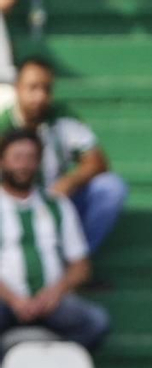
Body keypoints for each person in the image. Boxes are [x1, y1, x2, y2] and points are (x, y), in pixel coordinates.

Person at [0, 58, 127, 255]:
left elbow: (98, 161)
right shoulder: (3, 125)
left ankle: (75, 263)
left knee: (111, 187)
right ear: (17, 88)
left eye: (46, 89)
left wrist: (69, 182)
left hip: (58, 200)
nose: (40, 96)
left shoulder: (63, 117)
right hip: (13, 208)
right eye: (32, 88)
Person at [0, 129, 110, 351]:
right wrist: (15, 300)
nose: (23, 165)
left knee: (96, 323)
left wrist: (54, 293)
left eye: (30, 158)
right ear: (3, 161)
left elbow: (81, 267)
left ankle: (53, 366)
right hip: (5, 301)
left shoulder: (56, 204)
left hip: (51, 302)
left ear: (39, 162)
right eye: (17, 158)